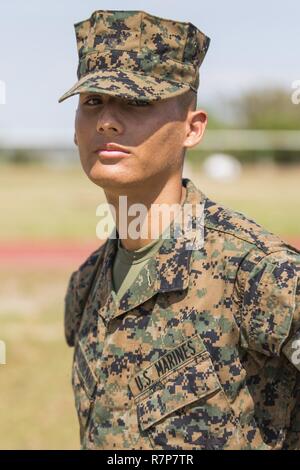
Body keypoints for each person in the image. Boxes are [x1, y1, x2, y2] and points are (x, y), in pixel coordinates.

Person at [59, 9, 300, 450]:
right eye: (92, 101)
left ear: (193, 128)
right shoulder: (86, 286)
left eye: (136, 102)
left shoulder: (256, 273)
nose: (106, 121)